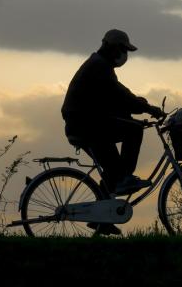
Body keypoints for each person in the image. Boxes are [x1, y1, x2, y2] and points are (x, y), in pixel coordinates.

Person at [61, 29, 164, 199]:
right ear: (112, 47)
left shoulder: (100, 65)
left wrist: (137, 109)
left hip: (85, 124)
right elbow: (119, 96)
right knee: (134, 130)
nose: (124, 55)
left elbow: (112, 101)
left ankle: (102, 222)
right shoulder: (99, 66)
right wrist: (148, 108)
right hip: (86, 126)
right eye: (123, 49)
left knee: (112, 173)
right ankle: (125, 180)